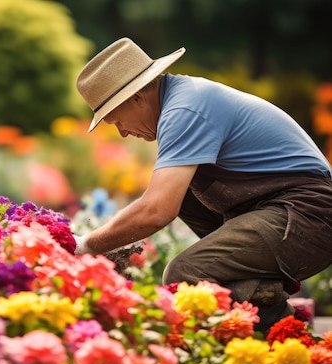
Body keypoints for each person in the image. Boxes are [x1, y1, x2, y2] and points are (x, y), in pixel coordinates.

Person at [73, 37, 332, 334]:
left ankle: (283, 336)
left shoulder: (184, 110)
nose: (121, 133)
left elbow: (157, 210)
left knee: (187, 272)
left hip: (309, 213)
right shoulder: (181, 99)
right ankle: (266, 306)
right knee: (184, 193)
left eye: (116, 120)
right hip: (281, 206)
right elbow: (162, 201)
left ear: (136, 98)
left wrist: (88, 245)